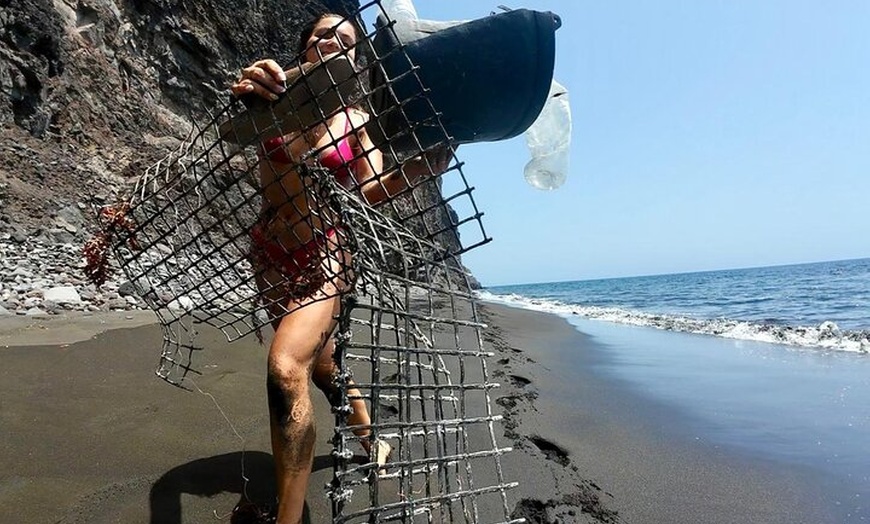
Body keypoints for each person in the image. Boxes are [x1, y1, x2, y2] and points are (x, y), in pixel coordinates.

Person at [231, 12, 451, 524]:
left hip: (325, 256)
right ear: (305, 48)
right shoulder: (275, 88)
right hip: (270, 251)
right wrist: (248, 86)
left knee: (286, 369)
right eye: (321, 35)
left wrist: (419, 167)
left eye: (347, 41)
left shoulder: (355, 122)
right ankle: (374, 440)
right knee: (322, 364)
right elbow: (236, 125)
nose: (333, 42)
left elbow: (373, 189)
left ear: (356, 60)